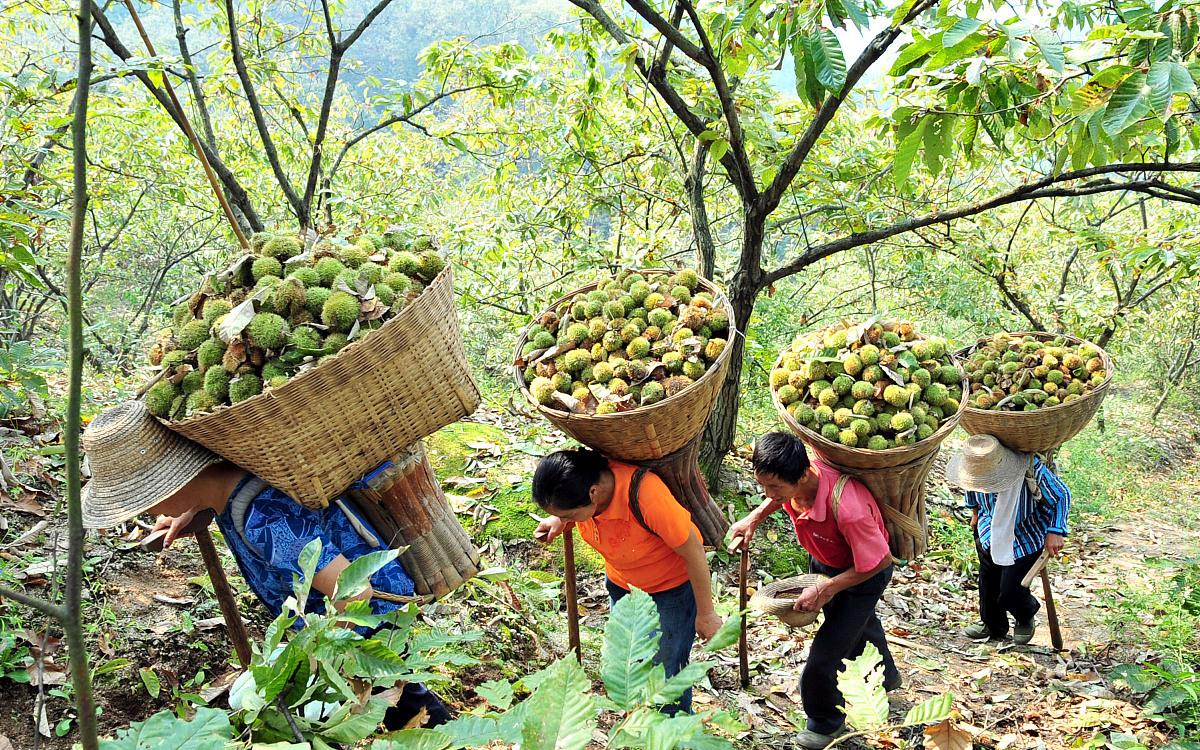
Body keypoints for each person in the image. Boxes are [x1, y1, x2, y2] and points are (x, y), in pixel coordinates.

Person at [79, 400, 451, 729]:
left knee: (396, 701)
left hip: (369, 624)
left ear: (170, 486)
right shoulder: (234, 479)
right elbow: (210, 494)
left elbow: (357, 593)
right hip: (346, 620)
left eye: (144, 500)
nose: (146, 510)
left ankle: (450, 736)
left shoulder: (264, 520)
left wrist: (313, 662)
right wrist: (190, 513)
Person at [728, 431, 900, 749]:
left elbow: (878, 562)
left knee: (826, 654)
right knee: (859, 626)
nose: (768, 493)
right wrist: (753, 518)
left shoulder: (849, 509)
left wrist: (827, 589)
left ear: (805, 473)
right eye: (763, 485)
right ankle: (887, 677)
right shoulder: (794, 487)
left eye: (775, 487)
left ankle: (824, 723)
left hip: (863, 576)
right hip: (827, 560)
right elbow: (777, 496)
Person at [531, 447, 722, 715]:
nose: (565, 521)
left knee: (666, 671)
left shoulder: (645, 495)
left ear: (593, 493)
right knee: (630, 657)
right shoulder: (584, 494)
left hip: (671, 593)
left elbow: (693, 550)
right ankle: (639, 721)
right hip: (623, 586)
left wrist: (707, 613)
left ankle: (672, 731)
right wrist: (559, 520)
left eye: (567, 515)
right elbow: (580, 512)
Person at [946, 434, 1070, 645]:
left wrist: (1055, 531)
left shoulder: (1030, 468)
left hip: (1024, 534)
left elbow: (1061, 495)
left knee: (1011, 590)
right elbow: (971, 490)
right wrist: (975, 513)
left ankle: (1025, 615)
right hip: (988, 531)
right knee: (988, 583)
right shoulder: (974, 466)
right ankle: (993, 625)